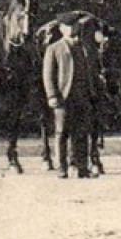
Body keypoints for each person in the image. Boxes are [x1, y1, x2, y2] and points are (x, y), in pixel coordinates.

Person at [43, 20, 98, 179]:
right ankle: (62, 167)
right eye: (68, 26)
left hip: (82, 95)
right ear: (61, 29)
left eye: (74, 26)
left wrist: (92, 91)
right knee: (61, 132)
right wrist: (52, 95)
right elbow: (48, 75)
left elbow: (91, 72)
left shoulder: (84, 47)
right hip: (63, 97)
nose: (71, 29)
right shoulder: (54, 48)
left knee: (81, 132)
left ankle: (81, 167)